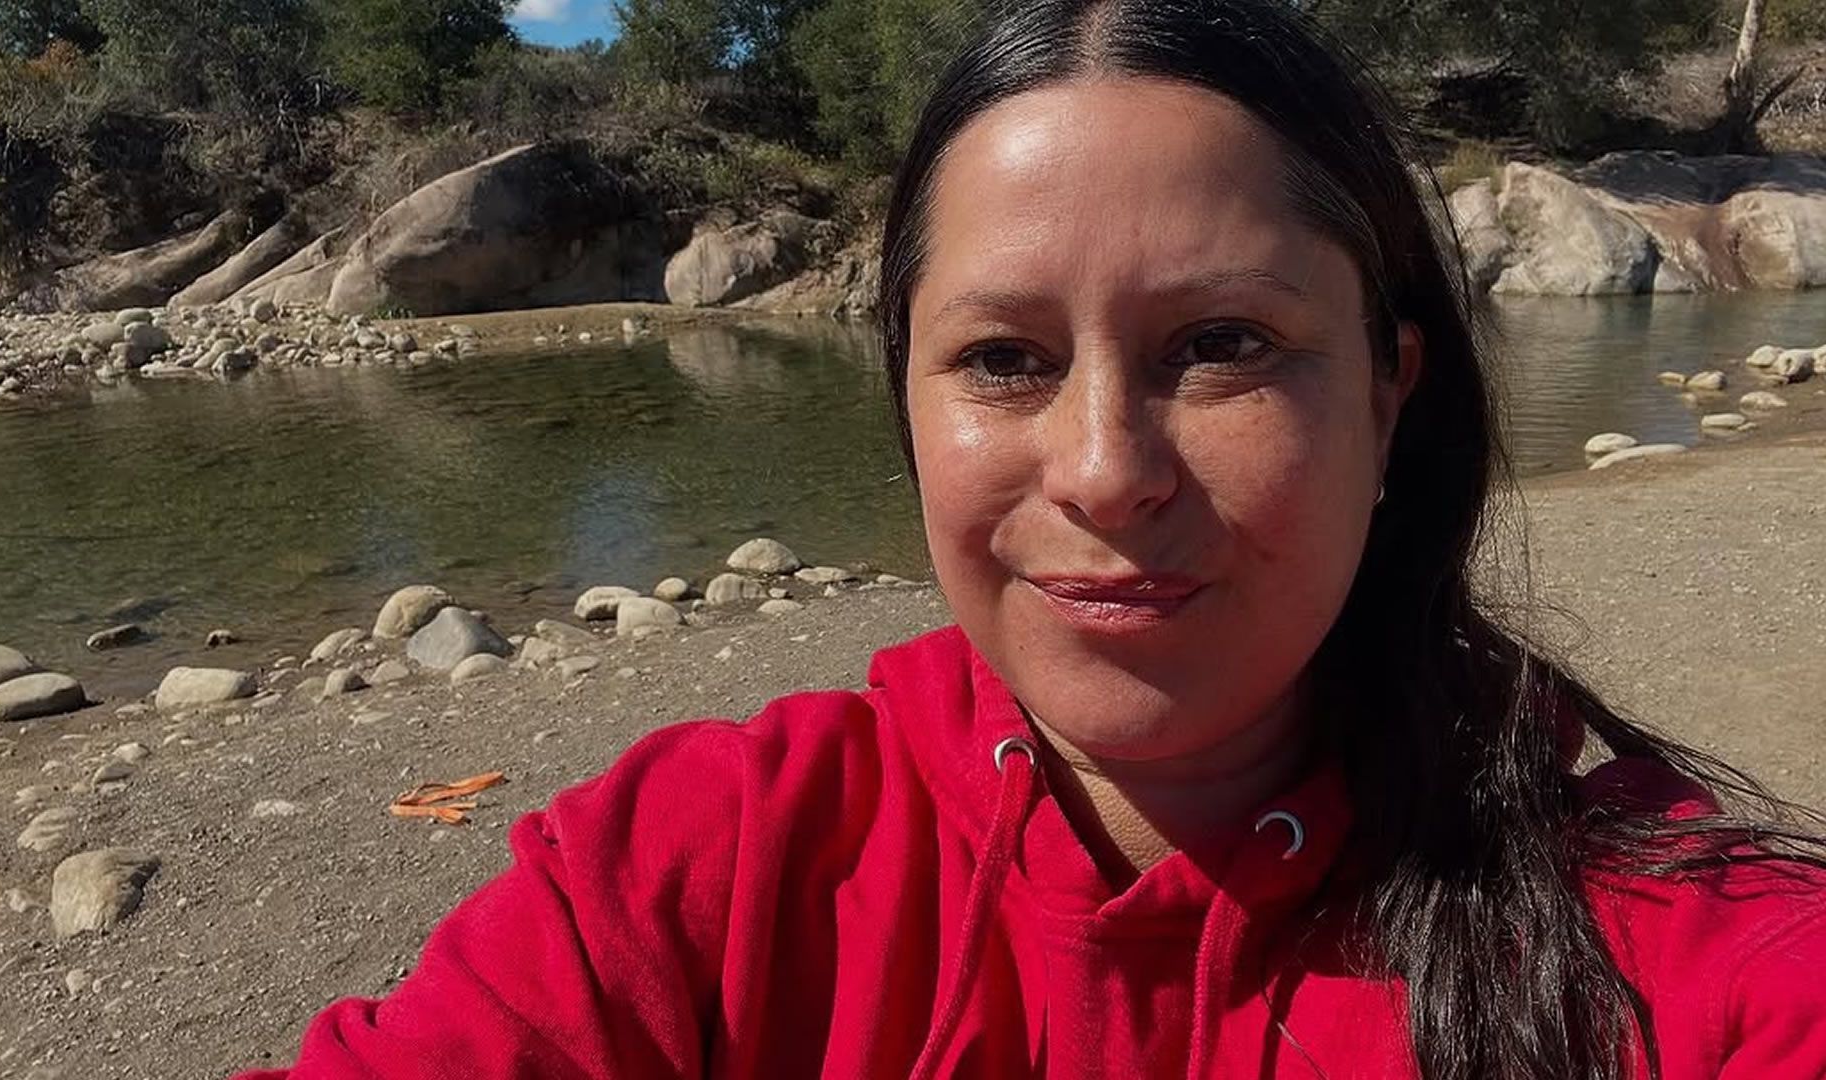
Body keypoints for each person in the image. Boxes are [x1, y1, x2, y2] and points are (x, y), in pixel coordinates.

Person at [240, 2, 1826, 1077]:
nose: (1104, 472)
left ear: (1391, 393)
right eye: (1004, 358)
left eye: (1223, 344)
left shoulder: (1667, 957)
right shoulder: (702, 877)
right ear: (905, 401)